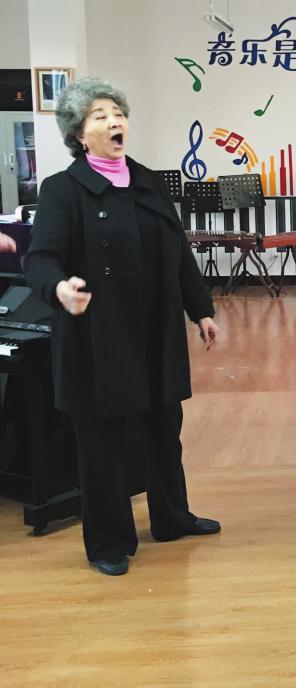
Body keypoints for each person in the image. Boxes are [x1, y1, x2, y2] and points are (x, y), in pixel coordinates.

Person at [24, 77, 220, 576]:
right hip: (97, 335)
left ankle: (172, 518)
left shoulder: (148, 181)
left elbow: (178, 253)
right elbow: (40, 258)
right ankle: (109, 541)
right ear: (79, 134)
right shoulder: (63, 190)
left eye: (117, 113)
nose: (114, 122)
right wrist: (58, 288)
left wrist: (200, 310)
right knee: (103, 443)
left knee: (163, 429)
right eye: (100, 116)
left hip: (154, 330)